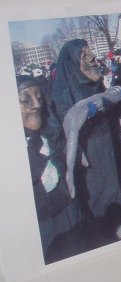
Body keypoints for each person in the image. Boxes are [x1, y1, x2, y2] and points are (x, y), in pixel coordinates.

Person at [51, 39, 121, 220]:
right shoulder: (62, 95)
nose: (93, 57)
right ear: (73, 65)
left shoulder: (96, 84)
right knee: (97, 194)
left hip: (109, 142)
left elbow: (119, 113)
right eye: (84, 55)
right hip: (88, 152)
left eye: (91, 53)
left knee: (117, 179)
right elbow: (63, 134)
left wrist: (117, 96)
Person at [17, 76, 80, 260]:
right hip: (40, 233)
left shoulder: (51, 136)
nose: (36, 104)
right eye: (24, 100)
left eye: (39, 97)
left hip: (69, 216)